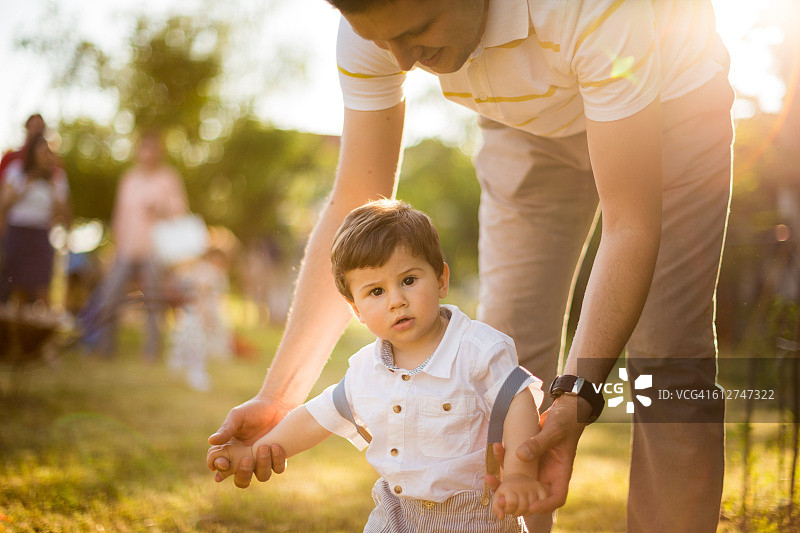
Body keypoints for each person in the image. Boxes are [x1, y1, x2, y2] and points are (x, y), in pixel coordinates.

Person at [210, 1, 734, 531]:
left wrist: (577, 392)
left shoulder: (587, 7)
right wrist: (278, 397)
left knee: (668, 360)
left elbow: (629, 226)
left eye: (417, 31)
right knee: (502, 348)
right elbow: (355, 207)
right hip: (528, 126)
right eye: (384, 41)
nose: (401, 58)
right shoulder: (375, 28)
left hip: (670, 106)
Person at [209, 200, 546, 529]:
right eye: (375, 291)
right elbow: (317, 417)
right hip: (396, 512)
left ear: (441, 279)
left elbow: (518, 400)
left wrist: (518, 475)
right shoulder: (366, 370)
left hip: (473, 517)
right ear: (355, 309)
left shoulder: (477, 349)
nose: (396, 300)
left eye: (409, 281)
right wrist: (254, 451)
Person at [94, 130, 188, 360]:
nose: (148, 154)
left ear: (158, 153)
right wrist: (115, 244)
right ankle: (105, 349)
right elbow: (119, 214)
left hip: (154, 251)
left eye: (152, 149)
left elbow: (180, 210)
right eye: (144, 149)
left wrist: (160, 209)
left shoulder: (168, 177)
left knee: (154, 303)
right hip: (126, 249)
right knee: (110, 296)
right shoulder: (129, 179)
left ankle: (152, 353)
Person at [0, 134, 71, 305]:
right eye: (43, 151)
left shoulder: (57, 177)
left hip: (41, 233)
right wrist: (25, 184)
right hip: (17, 233)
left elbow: (61, 213)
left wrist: (53, 187)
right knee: (16, 288)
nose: (47, 155)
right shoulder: (16, 171)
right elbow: (4, 204)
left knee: (41, 286)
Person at [168, 246, 231, 390]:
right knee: (197, 345)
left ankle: (180, 365)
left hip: (198, 314)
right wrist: (205, 315)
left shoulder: (205, 270)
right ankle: (195, 374)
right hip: (200, 314)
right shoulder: (209, 272)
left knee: (188, 342)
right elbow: (202, 294)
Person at [0, 114, 46, 185]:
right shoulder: (10, 158)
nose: (37, 131)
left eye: (40, 127)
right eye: (34, 126)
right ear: (27, 128)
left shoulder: (53, 164)